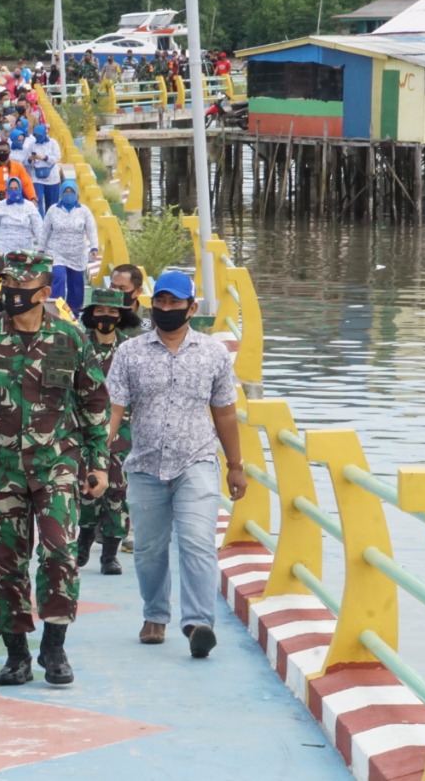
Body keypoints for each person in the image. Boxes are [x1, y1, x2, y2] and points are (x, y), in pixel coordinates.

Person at [0, 250, 109, 686]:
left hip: (57, 463)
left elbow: (93, 402)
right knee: (6, 562)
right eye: (8, 290)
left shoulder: (69, 338)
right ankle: (15, 652)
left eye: (22, 291)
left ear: (45, 293)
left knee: (59, 552)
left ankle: (54, 649)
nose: (12, 297)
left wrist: (100, 464)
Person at [104, 270, 247, 660]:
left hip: (196, 460)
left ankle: (198, 623)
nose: (166, 309)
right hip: (146, 463)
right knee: (149, 549)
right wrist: (99, 453)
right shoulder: (129, 353)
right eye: (161, 302)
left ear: (191, 307)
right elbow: (114, 407)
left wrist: (235, 465)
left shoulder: (213, 354)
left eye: (174, 303)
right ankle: (154, 615)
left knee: (198, 542)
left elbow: (226, 414)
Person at [76, 287, 145, 573]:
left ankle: (110, 555)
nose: (106, 317)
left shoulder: (132, 349)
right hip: (84, 431)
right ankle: (84, 542)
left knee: (117, 493)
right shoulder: (79, 344)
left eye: (112, 312)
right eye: (100, 311)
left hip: (122, 434)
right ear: (92, 315)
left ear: (122, 315)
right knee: (88, 491)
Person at [40, 180, 98, 314]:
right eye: (66, 192)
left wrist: (94, 247)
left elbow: (91, 230)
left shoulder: (84, 211)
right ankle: (56, 311)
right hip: (56, 251)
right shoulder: (53, 210)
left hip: (77, 253)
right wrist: (41, 249)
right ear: (61, 193)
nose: (69, 194)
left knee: (76, 285)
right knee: (58, 278)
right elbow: (45, 231)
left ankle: (73, 313)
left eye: (71, 192)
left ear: (77, 194)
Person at [0, 177, 42, 255]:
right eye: (11, 189)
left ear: (20, 189)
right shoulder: (0, 205)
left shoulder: (29, 206)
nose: (14, 191)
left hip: (25, 248)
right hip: (4, 247)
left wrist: (42, 244)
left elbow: (38, 226)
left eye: (16, 188)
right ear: (7, 190)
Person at [25, 124, 62, 215]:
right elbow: (27, 162)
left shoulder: (53, 143)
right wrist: (31, 159)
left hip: (52, 178)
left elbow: (57, 157)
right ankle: (40, 221)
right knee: (38, 200)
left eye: (39, 136)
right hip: (37, 177)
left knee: (52, 203)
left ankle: (50, 222)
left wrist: (44, 157)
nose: (38, 138)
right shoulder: (32, 145)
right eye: (36, 136)